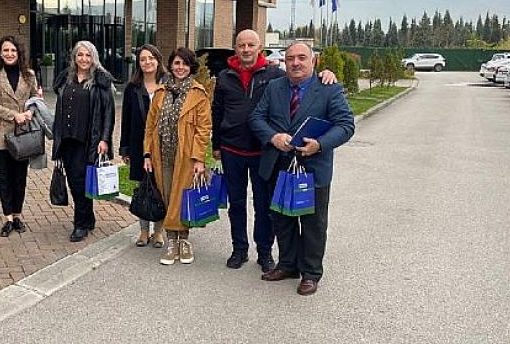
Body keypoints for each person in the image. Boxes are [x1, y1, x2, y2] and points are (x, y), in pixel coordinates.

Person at [213, 29, 337, 272]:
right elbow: (217, 112)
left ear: (260, 48)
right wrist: (216, 144)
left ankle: (265, 253)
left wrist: (325, 73)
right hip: (232, 150)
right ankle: (239, 250)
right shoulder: (225, 76)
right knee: (236, 203)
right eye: (241, 45)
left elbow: (303, 77)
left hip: (263, 152)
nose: (246, 49)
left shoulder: (274, 75)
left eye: (251, 44)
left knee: (265, 206)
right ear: (235, 48)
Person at [249, 42, 355, 296]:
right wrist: (273, 137)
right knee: (282, 219)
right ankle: (288, 265)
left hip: (313, 169)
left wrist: (319, 145)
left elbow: (345, 125)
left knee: (313, 223)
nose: (295, 63)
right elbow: (256, 118)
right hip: (279, 167)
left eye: (301, 58)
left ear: (313, 60)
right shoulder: (275, 87)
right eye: (290, 58)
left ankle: (310, 273)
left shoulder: (329, 89)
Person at [143, 47, 211, 265]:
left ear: (191, 67)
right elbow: (150, 126)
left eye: (185, 63)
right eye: (177, 63)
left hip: (187, 157)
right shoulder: (161, 93)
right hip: (163, 154)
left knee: (183, 198)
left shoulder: (198, 94)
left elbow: (203, 128)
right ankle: (172, 240)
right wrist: (147, 153)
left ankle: (183, 240)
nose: (180, 68)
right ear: (171, 65)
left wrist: (199, 158)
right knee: (168, 196)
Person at [52, 41, 115, 242]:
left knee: (81, 183)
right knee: (74, 182)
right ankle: (88, 217)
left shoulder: (100, 81)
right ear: (74, 57)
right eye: (80, 55)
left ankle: (80, 224)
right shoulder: (66, 79)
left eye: (88, 55)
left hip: (88, 140)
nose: (84, 59)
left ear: (94, 58)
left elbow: (108, 113)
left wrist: (105, 139)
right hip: (67, 139)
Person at [0, 36, 38, 237]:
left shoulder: (29, 75)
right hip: (1, 133)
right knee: (4, 178)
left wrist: (29, 113)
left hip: (23, 134)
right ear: (0, 53)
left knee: (19, 178)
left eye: (13, 50)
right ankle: (7, 217)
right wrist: (14, 115)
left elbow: (35, 99)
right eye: (5, 50)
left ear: (19, 53)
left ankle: (17, 215)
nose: (9, 54)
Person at [119, 44, 166, 248]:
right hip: (138, 145)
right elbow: (126, 119)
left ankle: (159, 232)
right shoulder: (132, 87)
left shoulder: (168, 84)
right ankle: (143, 231)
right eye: (143, 59)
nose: (147, 62)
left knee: (161, 188)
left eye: (151, 58)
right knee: (143, 187)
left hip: (164, 145)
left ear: (158, 60)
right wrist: (125, 148)